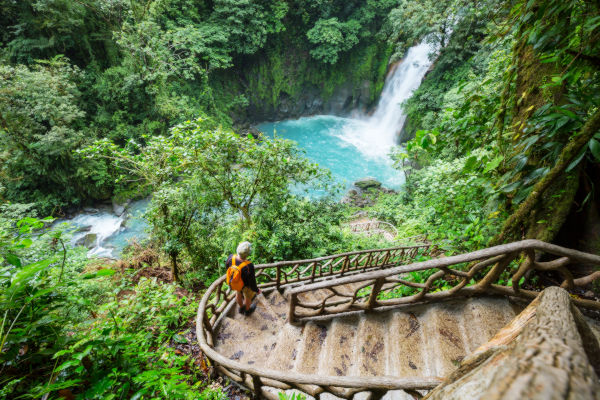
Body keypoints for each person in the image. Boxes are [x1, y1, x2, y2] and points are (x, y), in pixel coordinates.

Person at [225, 241, 260, 315]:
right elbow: (252, 281)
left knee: (238, 293)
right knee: (248, 297)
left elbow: (227, 267)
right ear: (247, 254)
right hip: (246, 286)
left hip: (236, 283)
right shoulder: (248, 266)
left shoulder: (231, 257)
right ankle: (247, 310)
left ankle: (241, 308)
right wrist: (256, 290)